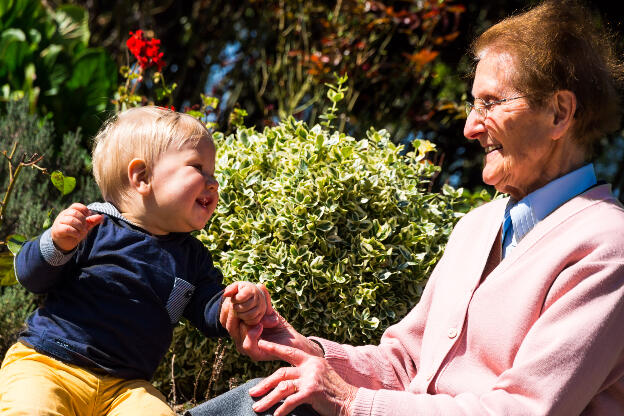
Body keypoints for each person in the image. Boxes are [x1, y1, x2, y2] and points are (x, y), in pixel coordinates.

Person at [188, 1, 624, 415]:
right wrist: (303, 349)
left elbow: (525, 410)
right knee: (270, 398)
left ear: (559, 113)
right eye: (473, 104)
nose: (471, 127)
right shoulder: (479, 226)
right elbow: (407, 363)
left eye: (490, 103)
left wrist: (347, 403)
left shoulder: (607, 246)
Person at [0, 106, 273, 415]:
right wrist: (56, 243)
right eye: (198, 168)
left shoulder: (192, 258)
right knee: (33, 409)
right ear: (142, 177)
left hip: (126, 389)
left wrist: (234, 306)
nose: (213, 183)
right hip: (49, 364)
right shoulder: (92, 225)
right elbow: (30, 277)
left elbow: (209, 311)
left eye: (213, 174)